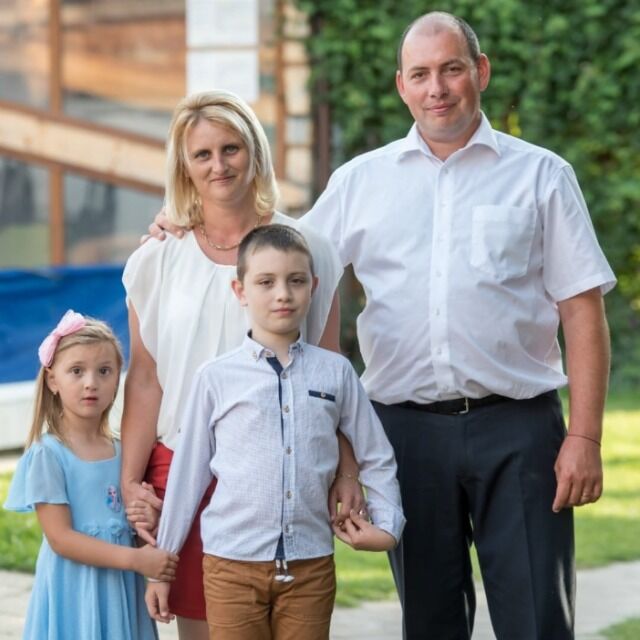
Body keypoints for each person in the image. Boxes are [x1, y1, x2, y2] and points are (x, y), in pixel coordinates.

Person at [148, 14, 615, 638]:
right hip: (405, 437)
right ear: (401, 85)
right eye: (420, 74)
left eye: (451, 69)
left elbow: (582, 310)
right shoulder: (360, 182)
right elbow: (274, 255)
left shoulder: (542, 175)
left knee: (538, 621)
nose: (436, 88)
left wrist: (584, 436)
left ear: (480, 72)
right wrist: (188, 222)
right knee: (429, 621)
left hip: (519, 431)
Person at [121, 90, 363, 640]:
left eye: (230, 148)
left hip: (281, 473)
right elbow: (145, 379)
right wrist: (129, 480)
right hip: (181, 470)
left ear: (255, 151)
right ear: (184, 165)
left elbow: (332, 374)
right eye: (202, 154)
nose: (219, 165)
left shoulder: (308, 247)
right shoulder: (156, 259)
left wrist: (347, 469)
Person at [144, 224, 405, 640]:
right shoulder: (215, 378)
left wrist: (388, 527)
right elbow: (187, 477)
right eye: (266, 282)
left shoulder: (336, 373)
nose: (282, 293)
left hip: (310, 566)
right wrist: (163, 568)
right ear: (240, 290)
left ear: (313, 287)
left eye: (295, 281)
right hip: (231, 566)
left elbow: (376, 454)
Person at [3, 310, 178, 640]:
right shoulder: (48, 454)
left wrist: (148, 521)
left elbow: (135, 528)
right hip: (74, 592)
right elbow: (61, 538)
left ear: (117, 379)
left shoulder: (127, 453)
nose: (91, 383)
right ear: (52, 380)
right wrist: (136, 560)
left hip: (120, 593)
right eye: (76, 371)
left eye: (104, 371)